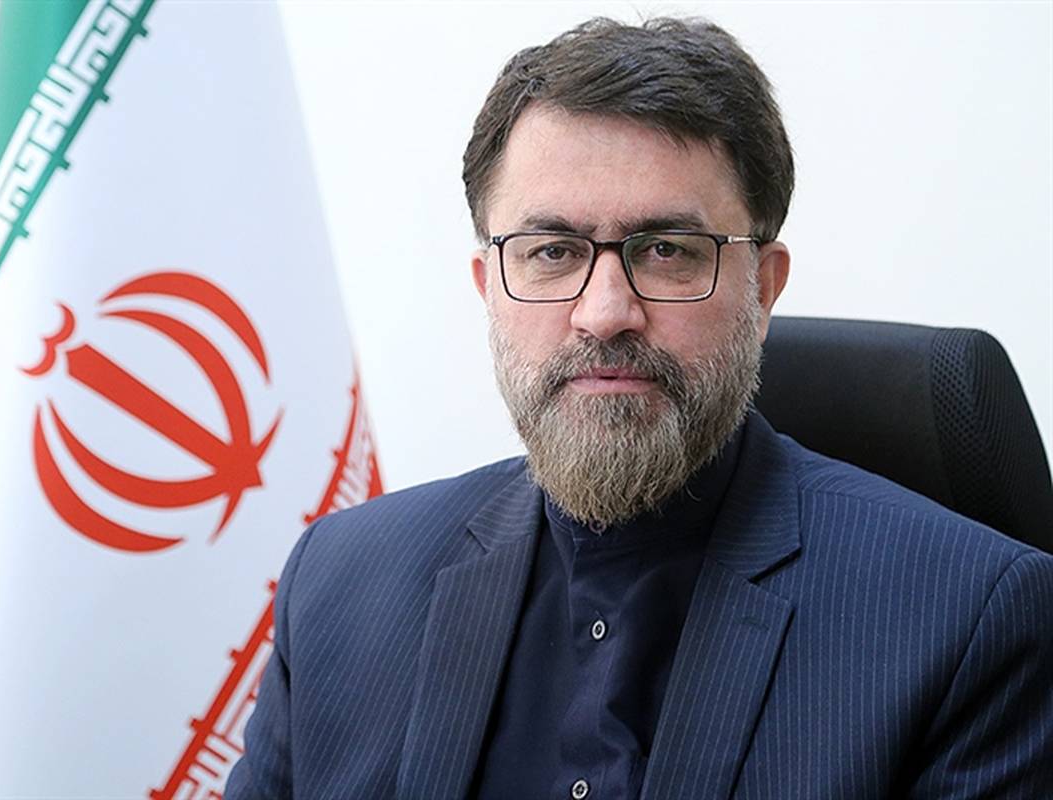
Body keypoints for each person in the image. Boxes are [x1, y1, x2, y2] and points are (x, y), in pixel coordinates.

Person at [225, 16, 1053, 800]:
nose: (604, 313)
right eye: (553, 252)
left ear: (763, 290)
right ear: (488, 289)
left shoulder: (971, 622)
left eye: (665, 251)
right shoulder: (338, 581)